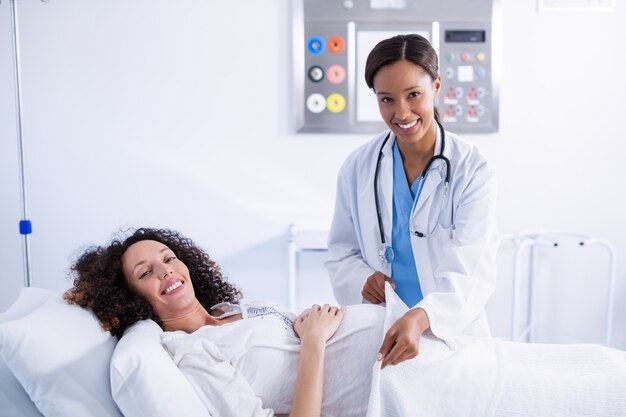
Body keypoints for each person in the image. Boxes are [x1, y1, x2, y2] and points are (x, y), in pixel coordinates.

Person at [66, 227, 626, 417]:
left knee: (596, 368)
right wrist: (312, 341)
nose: (167, 271)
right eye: (146, 272)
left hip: (426, 345)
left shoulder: (227, 318)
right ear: (131, 297)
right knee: (591, 389)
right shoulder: (185, 355)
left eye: (167, 257)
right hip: (408, 381)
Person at [325, 34, 499, 368]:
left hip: (453, 335)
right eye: (386, 99)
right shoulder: (358, 168)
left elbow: (472, 269)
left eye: (413, 95)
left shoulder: (472, 170)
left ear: (436, 86)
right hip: (382, 333)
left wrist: (423, 316)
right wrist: (361, 278)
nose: (401, 112)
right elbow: (340, 254)